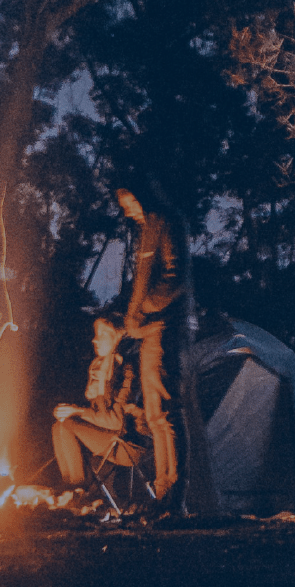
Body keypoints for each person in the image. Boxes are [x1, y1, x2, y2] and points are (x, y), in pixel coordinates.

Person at [118, 187, 183, 499]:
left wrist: (144, 309)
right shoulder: (147, 232)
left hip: (161, 328)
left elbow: (175, 275)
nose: (128, 211)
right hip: (146, 331)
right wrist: (131, 318)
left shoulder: (164, 224)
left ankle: (174, 490)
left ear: (143, 195)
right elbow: (142, 281)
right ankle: (162, 490)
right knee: (154, 415)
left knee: (164, 415)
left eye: (131, 202)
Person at [51, 317, 145, 487]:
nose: (95, 340)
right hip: (108, 436)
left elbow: (116, 422)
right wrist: (70, 410)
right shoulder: (100, 367)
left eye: (102, 335)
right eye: (96, 335)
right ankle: (69, 487)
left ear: (116, 338)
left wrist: (78, 411)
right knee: (59, 425)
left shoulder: (126, 370)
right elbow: (98, 414)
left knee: (67, 425)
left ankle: (79, 488)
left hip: (127, 444)